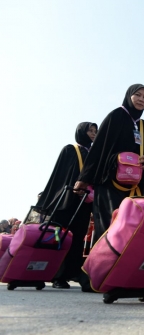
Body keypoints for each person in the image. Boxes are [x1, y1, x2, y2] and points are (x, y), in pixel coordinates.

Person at [74, 84, 144, 246]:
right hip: (109, 185)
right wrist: (83, 179)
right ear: (129, 96)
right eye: (137, 95)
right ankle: (102, 269)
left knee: (131, 231)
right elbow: (98, 149)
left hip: (134, 187)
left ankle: (124, 270)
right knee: (109, 229)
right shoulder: (115, 116)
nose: (141, 100)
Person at [35, 122, 97, 289]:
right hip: (67, 201)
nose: (93, 134)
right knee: (59, 238)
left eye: (95, 131)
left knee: (77, 239)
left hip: (84, 203)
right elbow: (61, 176)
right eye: (90, 130)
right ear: (81, 132)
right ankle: (56, 275)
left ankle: (72, 271)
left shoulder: (94, 153)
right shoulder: (71, 150)